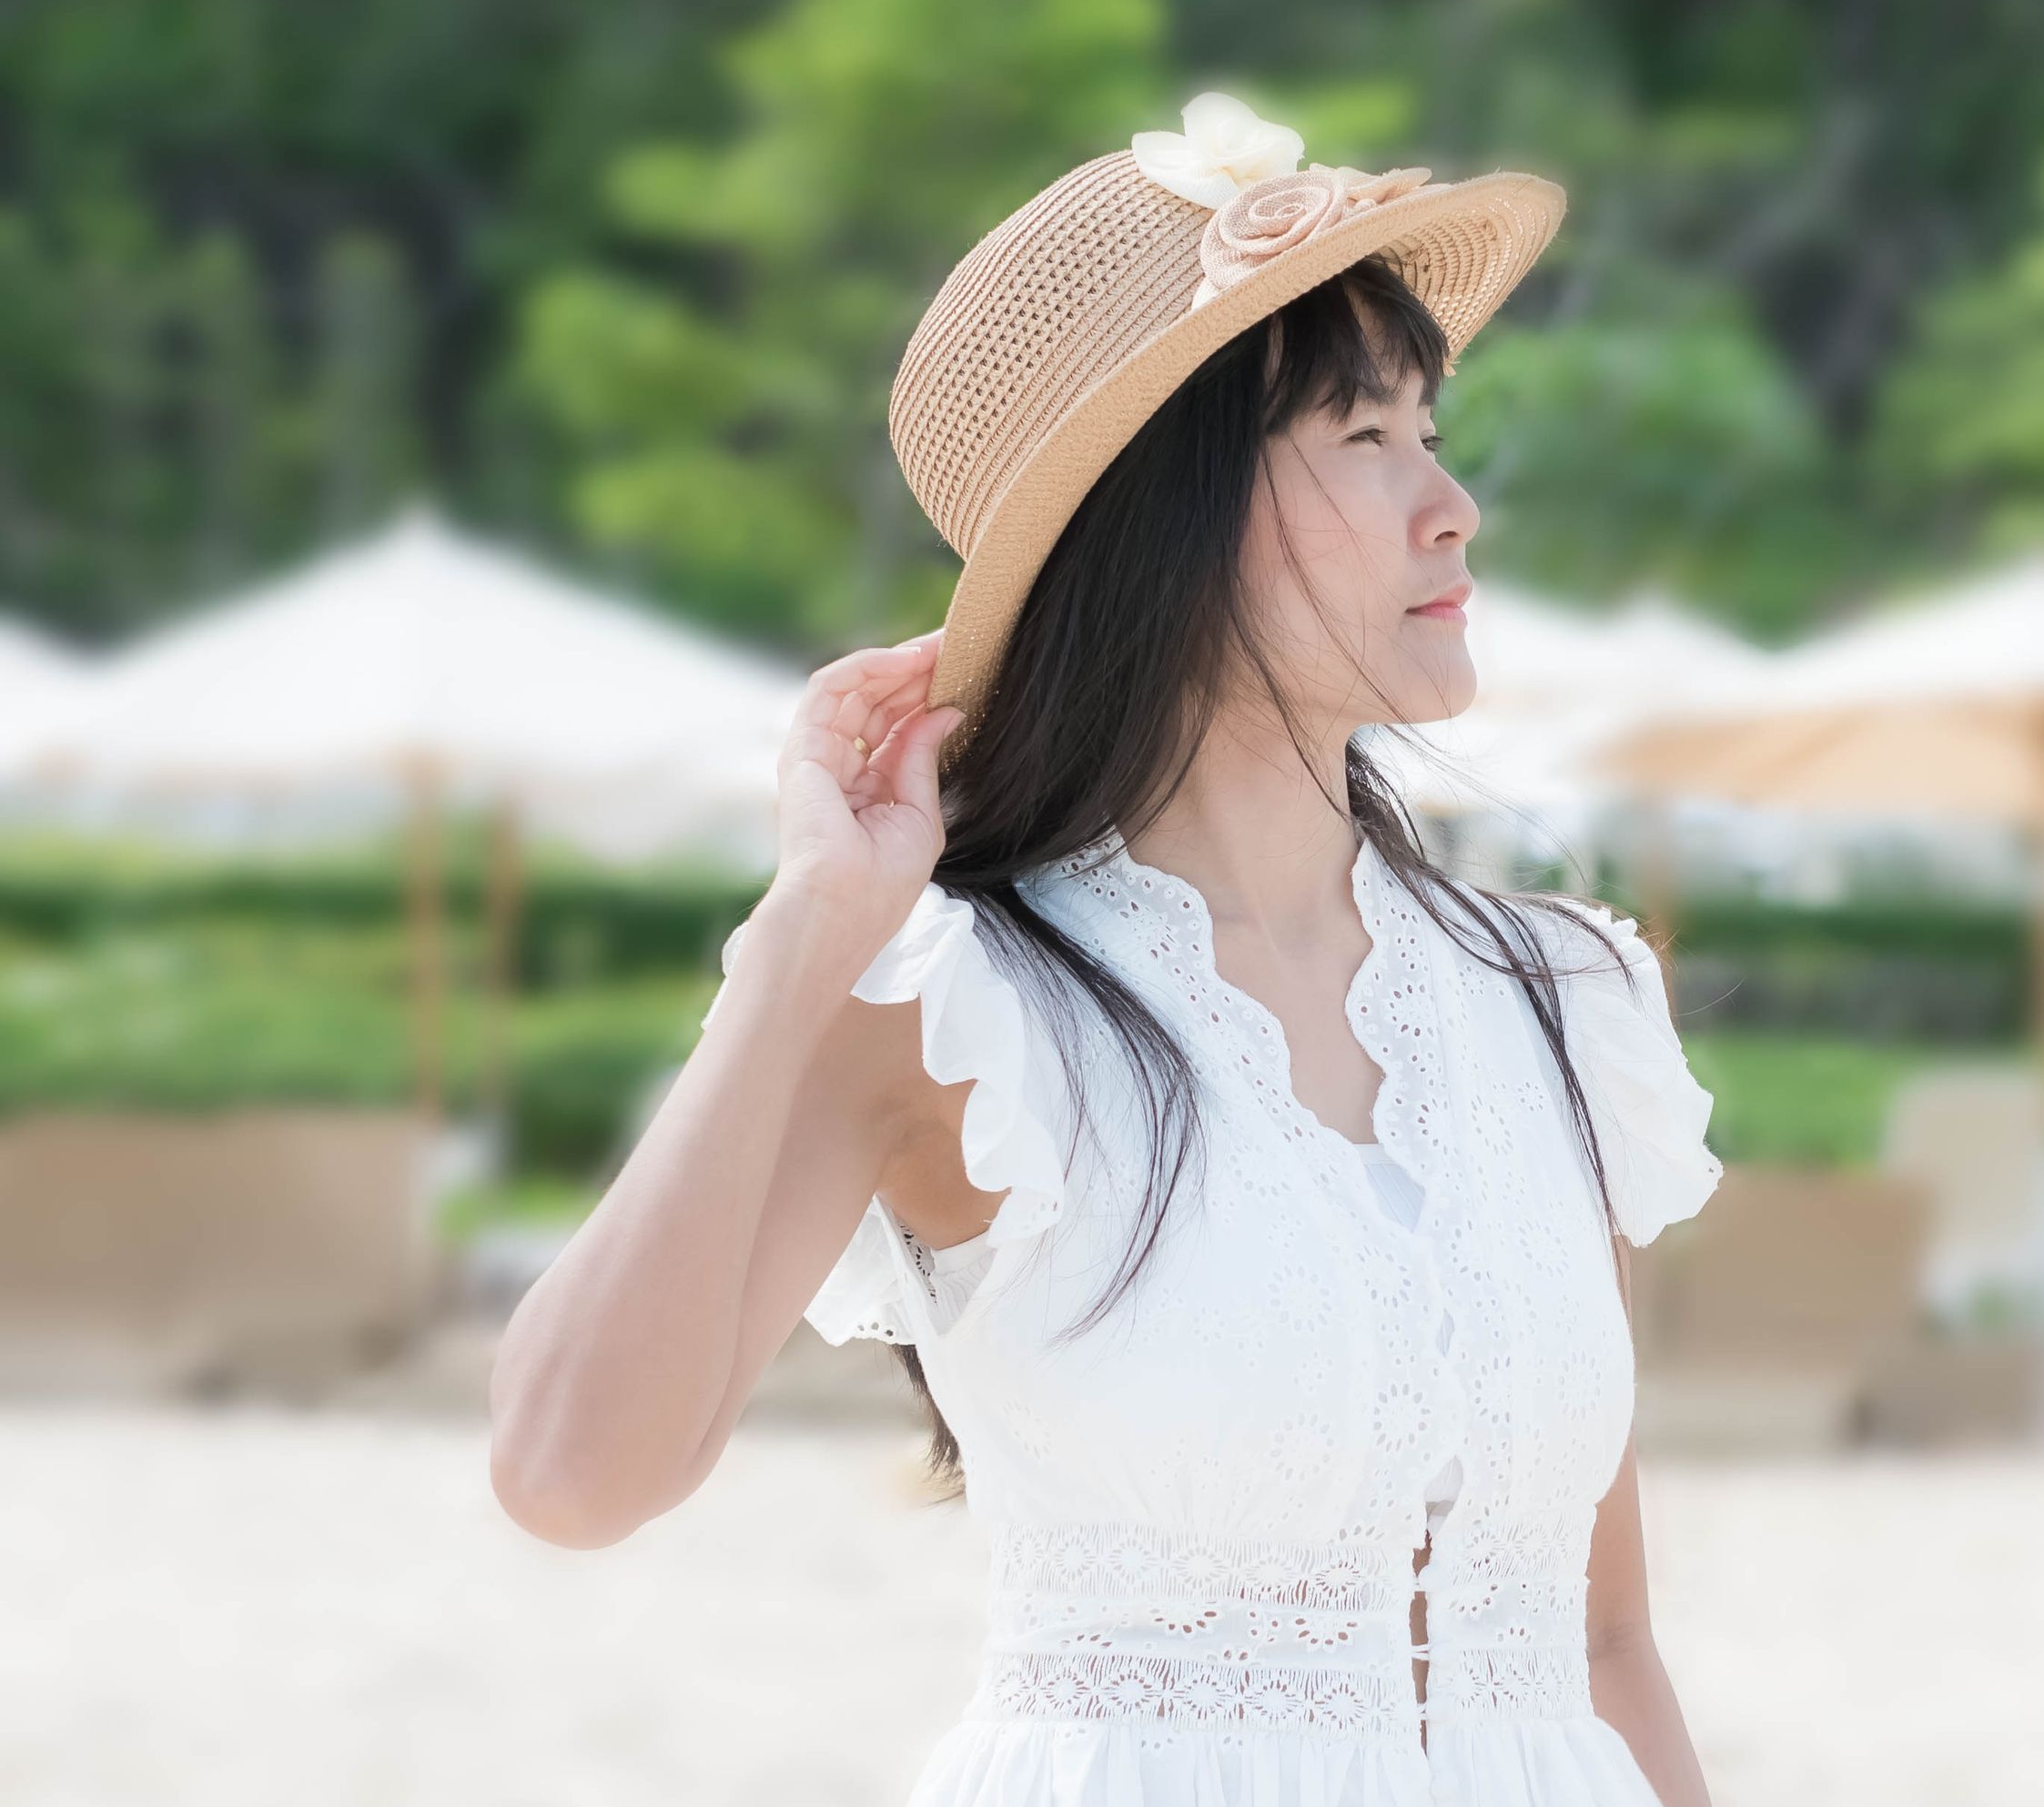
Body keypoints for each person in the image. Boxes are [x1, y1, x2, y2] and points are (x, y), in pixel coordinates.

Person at [488, 94, 1722, 1807]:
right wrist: (798, 945)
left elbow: (1602, 1650)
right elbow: (567, 1473)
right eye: (1365, 437)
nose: (1450, 505)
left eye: (1432, 429)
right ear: (1166, 517)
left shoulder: (1555, 1004)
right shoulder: (956, 1010)